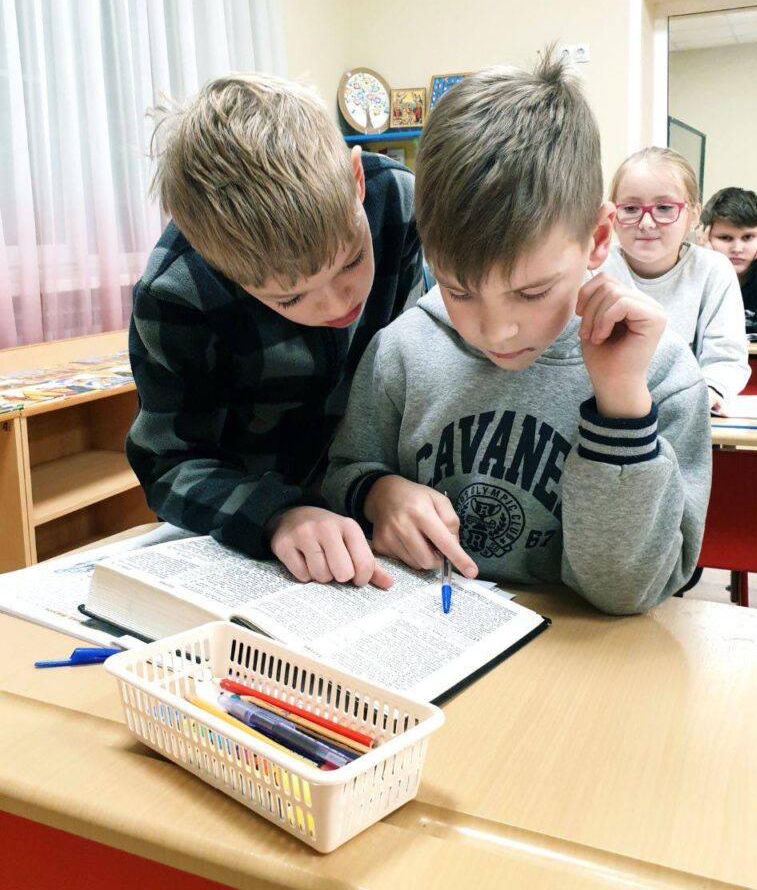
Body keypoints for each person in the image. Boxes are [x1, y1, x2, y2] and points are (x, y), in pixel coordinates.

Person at [322, 53, 711, 616]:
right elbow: (343, 475)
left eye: (531, 292)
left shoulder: (661, 375)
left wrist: (622, 407)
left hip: (584, 652)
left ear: (598, 238)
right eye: (459, 290)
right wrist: (377, 494)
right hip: (426, 631)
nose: (495, 329)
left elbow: (626, 592)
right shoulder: (401, 351)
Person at [126, 74, 423, 589]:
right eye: (290, 299)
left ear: (356, 178)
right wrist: (277, 514)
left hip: (379, 503)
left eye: (351, 261)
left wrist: (378, 485)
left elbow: (414, 368)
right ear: (220, 266)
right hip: (255, 528)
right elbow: (169, 463)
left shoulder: (398, 199)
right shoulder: (177, 289)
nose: (339, 304)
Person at [603, 147, 749, 414]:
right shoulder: (594, 268)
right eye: (631, 208)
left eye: (664, 208)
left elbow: (726, 358)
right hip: (606, 409)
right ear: (613, 215)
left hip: (683, 413)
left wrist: (711, 390)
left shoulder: (714, 270)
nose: (646, 223)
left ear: (693, 215)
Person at [700, 186, 757, 318]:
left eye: (748, 237)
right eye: (725, 238)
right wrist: (709, 265)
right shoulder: (690, 277)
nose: (737, 249)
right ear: (706, 236)